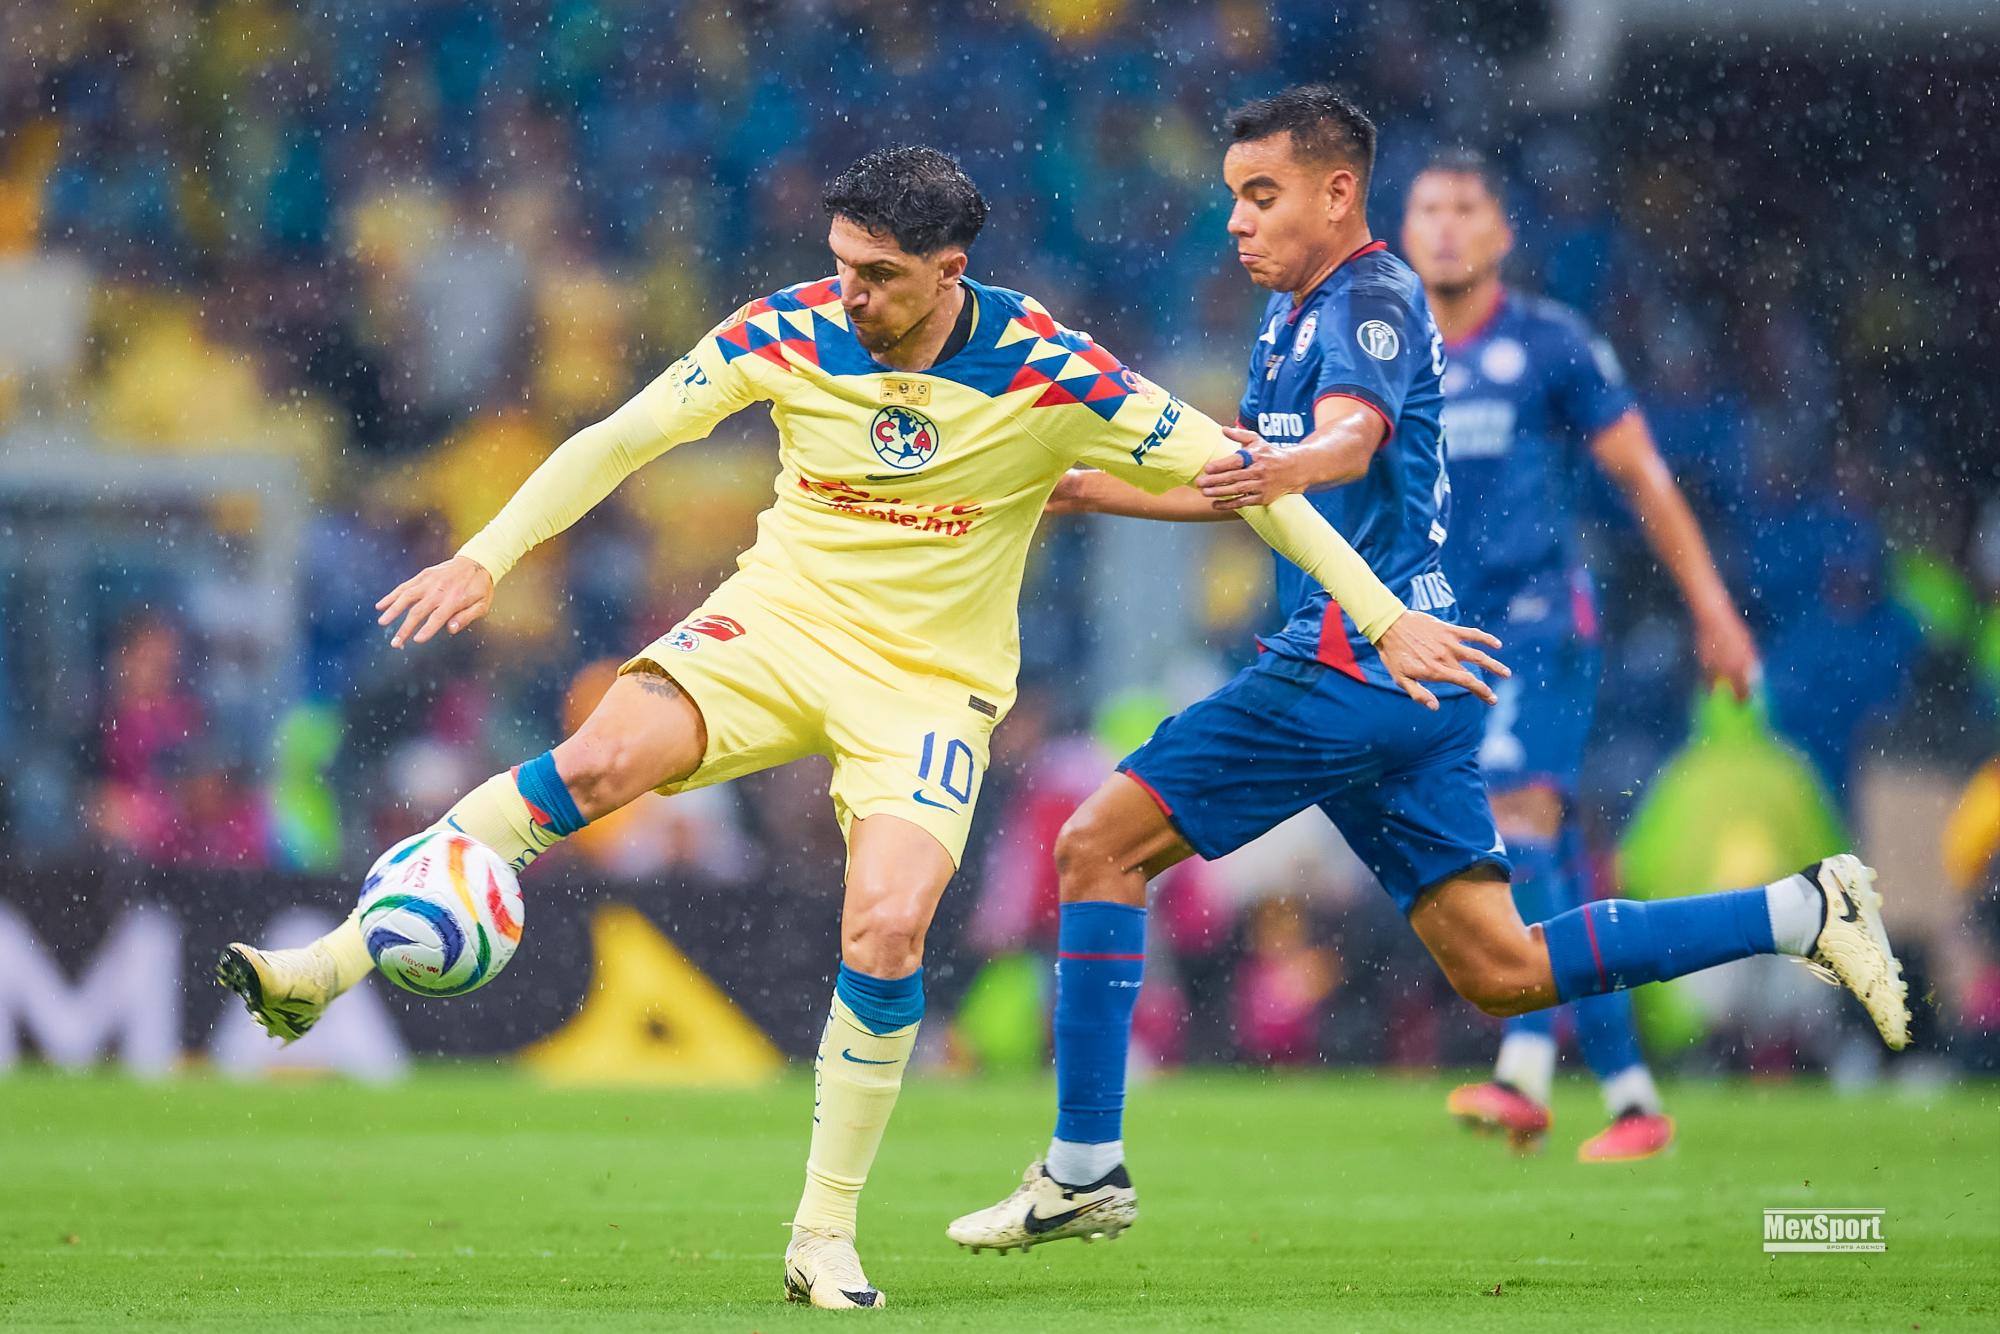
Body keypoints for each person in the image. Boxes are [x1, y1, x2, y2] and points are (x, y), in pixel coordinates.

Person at [215, 145, 1495, 1310]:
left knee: (885, 922)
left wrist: (1380, 616)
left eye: (876, 277)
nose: (847, 296)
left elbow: (1246, 482)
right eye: (837, 266)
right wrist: (488, 559)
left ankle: (821, 1233)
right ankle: (325, 967)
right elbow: (620, 437)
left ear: (949, 272)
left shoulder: (1053, 366)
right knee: (599, 755)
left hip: (929, 686)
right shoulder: (787, 328)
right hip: (776, 626)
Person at [946, 85, 1907, 1255]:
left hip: (1347, 666)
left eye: (1260, 195)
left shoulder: (1369, 296)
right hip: (1406, 680)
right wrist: (1075, 489)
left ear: (1336, 191)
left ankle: (1083, 1166)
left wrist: (1289, 458)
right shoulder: (1290, 314)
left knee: (1095, 846)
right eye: (1230, 200)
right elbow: (1251, 483)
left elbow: (1347, 438)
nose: (1237, 222)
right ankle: (1801, 906)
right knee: (1503, 967)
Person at [1402, 148, 1761, 1162]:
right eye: (1426, 208)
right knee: (1537, 849)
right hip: (1438, 636)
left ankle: (1524, 1066)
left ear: (1499, 232)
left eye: (1464, 208)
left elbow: (1642, 475)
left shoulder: (1549, 344)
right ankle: (1630, 1094)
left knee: (1516, 818)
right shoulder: (1388, 351)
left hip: (1537, 621)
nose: (1443, 226)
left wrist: (1710, 609)